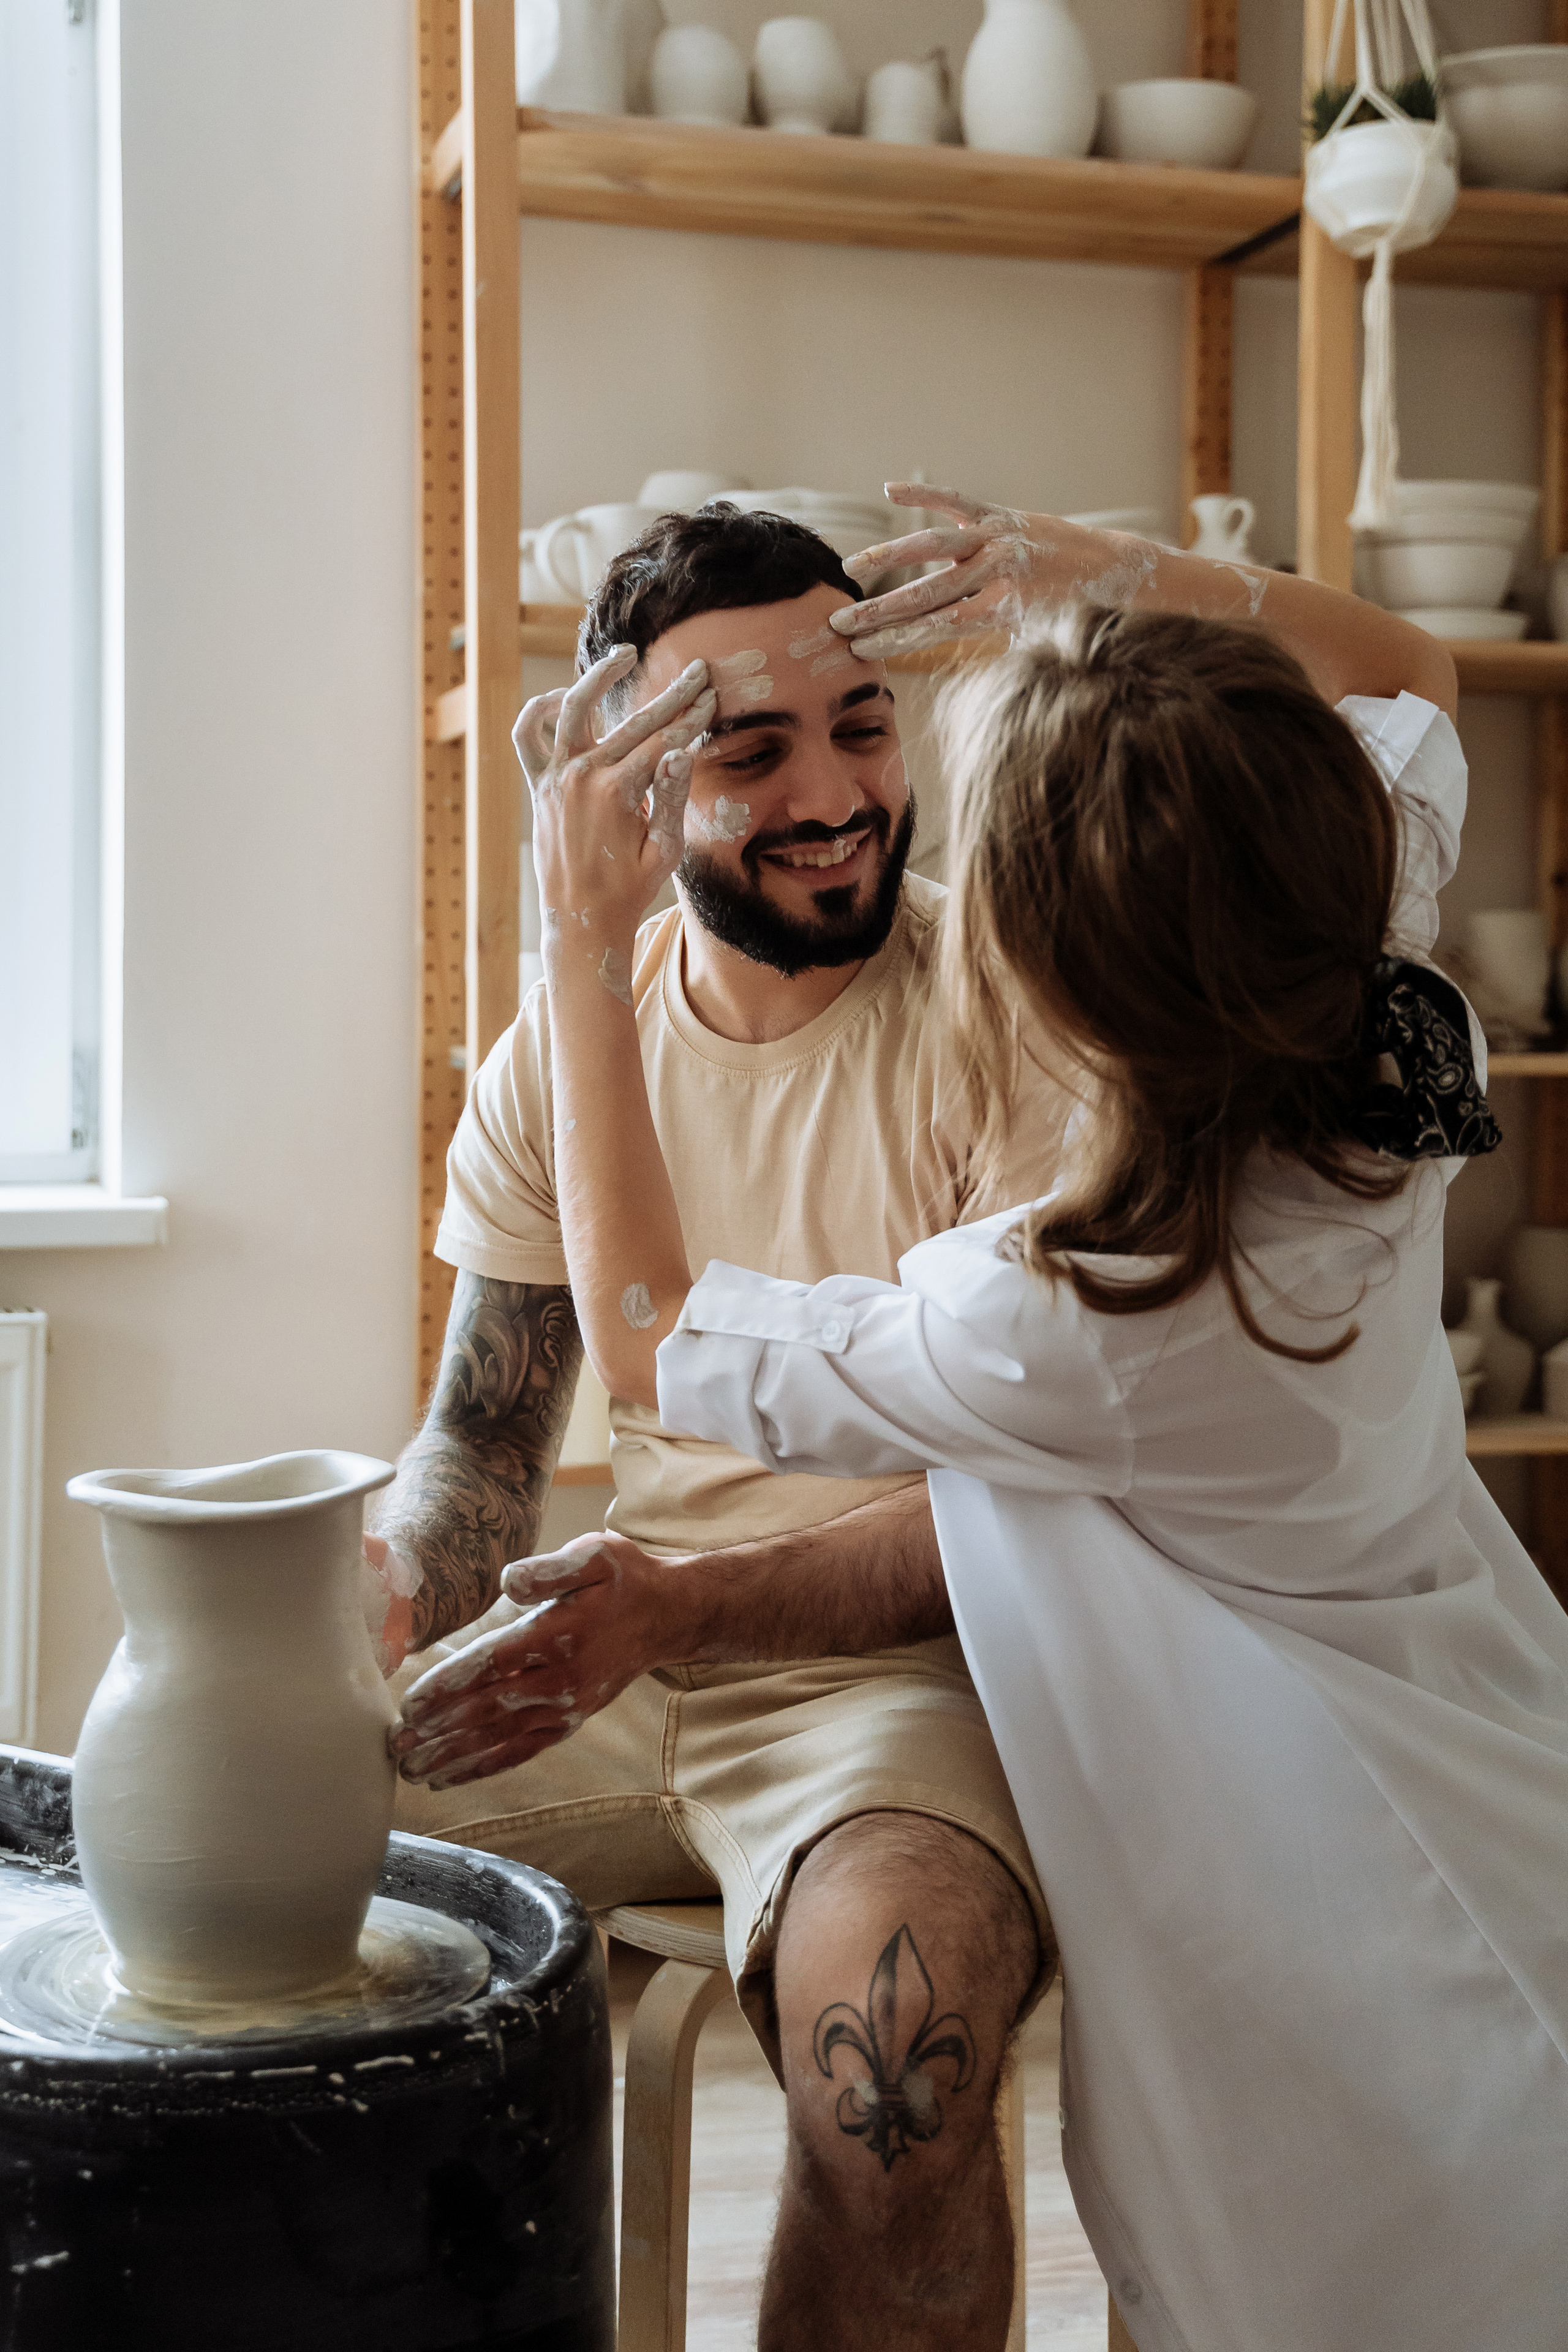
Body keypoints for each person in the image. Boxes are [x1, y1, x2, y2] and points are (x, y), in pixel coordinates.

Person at [514, 488, 1568, 2352]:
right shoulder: (1383, 1024)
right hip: (1499, 1787)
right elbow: (1411, 671)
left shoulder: (1072, 1322)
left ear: (1042, 972)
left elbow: (654, 1337)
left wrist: (577, 941)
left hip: (1335, 1952)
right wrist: (1102, 582)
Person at [366, 503, 1071, 2351]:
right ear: (632, 792)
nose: (833, 795)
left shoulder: (1007, 1017)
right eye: (752, 752)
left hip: (897, 1691)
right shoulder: (567, 1042)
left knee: (892, 2065)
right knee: (209, 1851)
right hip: (615, 1654)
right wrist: (381, 1593)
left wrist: (681, 1608)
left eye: (861, 725)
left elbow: (1020, 1511)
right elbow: (482, 1444)